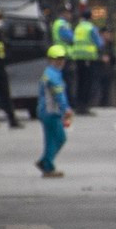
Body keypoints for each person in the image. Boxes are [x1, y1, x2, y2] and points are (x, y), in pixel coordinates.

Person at [35, 43, 72, 178]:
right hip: (51, 112)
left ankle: (46, 163)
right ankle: (47, 164)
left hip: (46, 111)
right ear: (51, 59)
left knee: (50, 140)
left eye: (62, 59)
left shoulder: (50, 73)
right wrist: (66, 109)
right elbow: (59, 95)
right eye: (58, 59)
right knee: (59, 138)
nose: (61, 62)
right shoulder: (53, 76)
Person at [69, 9, 101, 116]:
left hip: (78, 57)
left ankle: (79, 105)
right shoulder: (91, 28)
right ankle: (84, 106)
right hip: (88, 58)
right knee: (87, 83)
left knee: (79, 82)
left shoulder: (78, 27)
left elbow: (73, 40)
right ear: (91, 18)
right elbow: (99, 43)